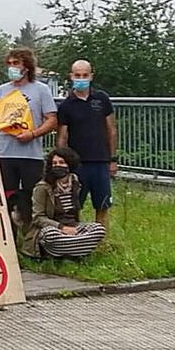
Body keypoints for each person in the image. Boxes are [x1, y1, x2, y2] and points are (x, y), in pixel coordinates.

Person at [0, 48, 58, 203]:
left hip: (31, 154)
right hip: (5, 153)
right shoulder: (0, 91)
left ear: (26, 67)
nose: (12, 67)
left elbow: (52, 120)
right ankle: (9, 226)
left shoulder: (41, 90)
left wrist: (33, 134)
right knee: (6, 196)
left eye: (16, 63)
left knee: (33, 197)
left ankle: (31, 226)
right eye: (9, 63)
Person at [56, 59, 118, 227]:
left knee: (103, 204)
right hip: (77, 163)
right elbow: (62, 136)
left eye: (85, 75)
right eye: (77, 75)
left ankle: (102, 240)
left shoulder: (102, 99)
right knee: (74, 205)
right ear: (71, 76)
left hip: (101, 161)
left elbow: (111, 130)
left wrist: (113, 159)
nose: (81, 78)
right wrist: (61, 163)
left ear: (91, 76)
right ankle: (76, 239)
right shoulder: (66, 105)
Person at [16, 147, 107, 260]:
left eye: (61, 162)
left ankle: (67, 250)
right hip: (52, 228)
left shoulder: (75, 182)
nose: (57, 166)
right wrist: (62, 228)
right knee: (50, 235)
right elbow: (38, 218)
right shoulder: (42, 187)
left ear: (70, 164)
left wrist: (73, 230)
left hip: (73, 226)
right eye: (54, 163)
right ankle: (75, 250)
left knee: (98, 229)